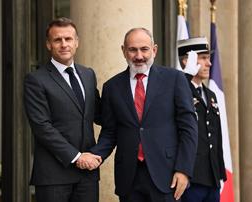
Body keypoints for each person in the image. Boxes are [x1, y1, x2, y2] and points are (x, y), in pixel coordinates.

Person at [77, 28, 198, 202]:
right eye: (133, 49)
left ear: (154, 50)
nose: (139, 55)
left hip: (167, 176)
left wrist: (184, 169)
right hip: (129, 178)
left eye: (144, 49)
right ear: (124, 51)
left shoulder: (175, 79)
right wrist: (95, 155)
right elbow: (110, 132)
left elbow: (189, 129)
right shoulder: (112, 87)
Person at [23, 17, 102, 202]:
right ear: (49, 44)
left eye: (68, 39)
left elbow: (100, 115)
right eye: (57, 40)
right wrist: (77, 157)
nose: (64, 44)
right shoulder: (36, 80)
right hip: (54, 175)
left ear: (77, 42)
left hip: (87, 175)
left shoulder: (88, 74)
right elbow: (42, 127)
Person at [177, 37, 227, 202]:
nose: (209, 63)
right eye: (203, 58)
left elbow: (216, 135)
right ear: (187, 61)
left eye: (209, 58)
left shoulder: (210, 95)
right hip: (191, 177)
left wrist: (220, 173)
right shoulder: (179, 91)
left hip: (212, 178)